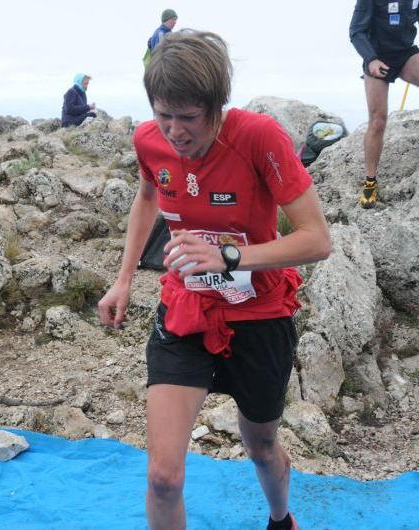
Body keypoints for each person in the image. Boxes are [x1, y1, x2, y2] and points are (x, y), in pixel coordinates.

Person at [98, 30, 331, 530]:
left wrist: (229, 255)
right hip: (186, 309)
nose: (175, 132)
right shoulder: (148, 140)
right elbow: (146, 199)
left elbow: (316, 240)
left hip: (260, 314)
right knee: (162, 476)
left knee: (263, 446)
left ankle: (280, 518)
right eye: (164, 115)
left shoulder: (258, 137)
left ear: (218, 104)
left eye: (189, 118)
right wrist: (123, 280)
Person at [349, 0, 419, 209]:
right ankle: (370, 181)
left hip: (405, 53)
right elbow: (356, 31)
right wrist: (371, 59)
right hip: (376, 55)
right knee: (377, 122)